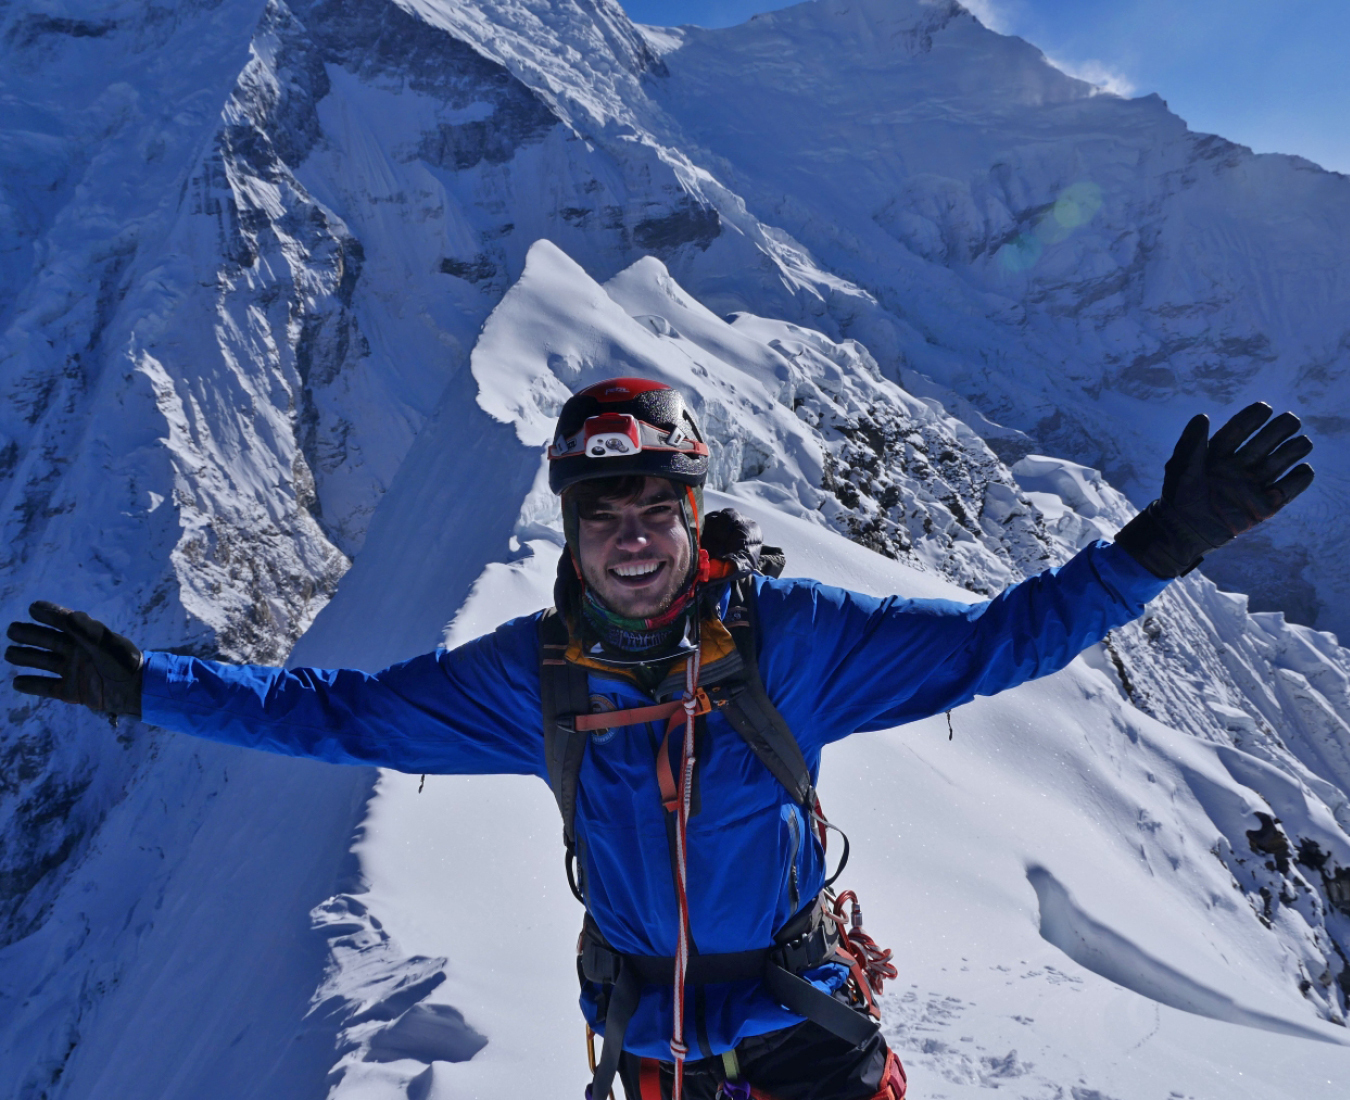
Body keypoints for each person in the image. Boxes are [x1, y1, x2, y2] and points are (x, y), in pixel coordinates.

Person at [5, 378, 1315, 1100]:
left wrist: (1165, 544)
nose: (630, 531)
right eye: (600, 510)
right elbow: (334, 716)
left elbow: (994, 646)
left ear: (696, 515)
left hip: (800, 1029)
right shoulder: (534, 679)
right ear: (569, 533)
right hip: (652, 1044)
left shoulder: (791, 640)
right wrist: (150, 688)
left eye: (654, 503)